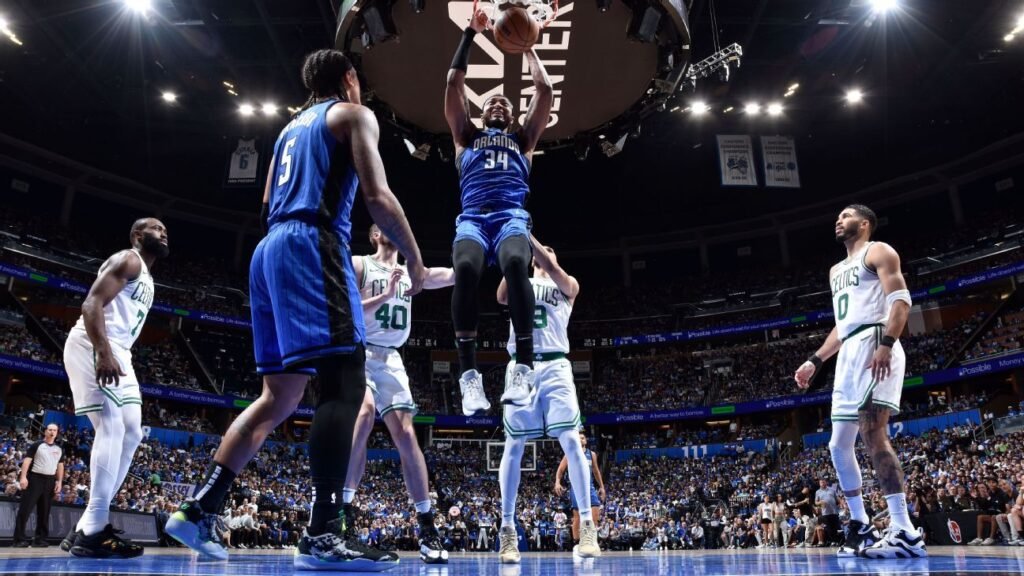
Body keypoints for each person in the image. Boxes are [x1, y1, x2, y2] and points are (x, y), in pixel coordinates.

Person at [165, 48, 425, 571]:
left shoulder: (287, 130)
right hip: (312, 241)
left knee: (280, 395)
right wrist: (415, 262)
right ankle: (325, 534)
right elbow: (377, 196)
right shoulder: (353, 114)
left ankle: (201, 507)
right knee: (347, 379)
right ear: (349, 79)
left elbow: (264, 204)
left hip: (269, 249)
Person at [795, 204, 925, 559]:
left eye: (846, 215)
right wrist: (816, 359)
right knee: (838, 445)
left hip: (875, 343)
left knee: (872, 432)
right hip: (849, 352)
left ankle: (904, 530)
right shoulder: (836, 269)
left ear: (864, 223)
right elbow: (843, 324)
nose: (839, 220)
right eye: (837, 217)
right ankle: (861, 525)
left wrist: (887, 343)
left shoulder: (878, 250)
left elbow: (900, 301)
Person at [444, 9, 554, 416]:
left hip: (510, 215)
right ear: (482, 110)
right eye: (490, 101)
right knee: (467, 270)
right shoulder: (465, 136)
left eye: (504, 103)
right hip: (473, 216)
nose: (497, 104)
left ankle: (522, 366)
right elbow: (454, 82)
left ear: (511, 116)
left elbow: (543, 92)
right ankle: (469, 376)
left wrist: (528, 50)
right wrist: (470, 35)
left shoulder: (524, 140)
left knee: (513, 262)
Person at [342, 223, 453, 564]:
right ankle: (342, 517)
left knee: (407, 435)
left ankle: (427, 526)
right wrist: (385, 296)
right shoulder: (361, 264)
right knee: (362, 416)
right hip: (360, 352)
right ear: (374, 233)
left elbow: (452, 274)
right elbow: (349, 309)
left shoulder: (411, 272)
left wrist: (477, 255)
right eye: (384, 224)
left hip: (391, 359)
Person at [61, 218, 169, 558]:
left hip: (120, 351)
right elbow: (91, 304)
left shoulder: (147, 276)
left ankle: (84, 528)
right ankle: (93, 530)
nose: (163, 234)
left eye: (166, 231)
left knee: (133, 433)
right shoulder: (129, 259)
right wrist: (104, 352)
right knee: (111, 427)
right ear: (138, 235)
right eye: (155, 229)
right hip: (95, 344)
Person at [494, 236, 600, 563]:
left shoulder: (567, 284)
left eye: (550, 250)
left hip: (555, 364)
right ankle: (508, 529)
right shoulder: (520, 280)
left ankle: (587, 527)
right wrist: (514, 251)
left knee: (572, 440)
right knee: (513, 446)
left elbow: (553, 266)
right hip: (522, 363)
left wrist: (525, 235)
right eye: (539, 253)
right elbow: (500, 296)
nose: (546, 253)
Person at [13, 424, 63, 548]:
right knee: (25, 509)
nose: (52, 432)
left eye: (54, 430)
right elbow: (27, 461)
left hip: (50, 480)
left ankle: (40, 539)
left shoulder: (60, 448)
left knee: (44, 511)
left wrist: (59, 481)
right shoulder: (37, 445)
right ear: (45, 431)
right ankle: (19, 539)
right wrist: (23, 477)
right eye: (50, 430)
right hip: (35, 478)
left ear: (57, 433)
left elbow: (60, 465)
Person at [555, 431, 606, 550]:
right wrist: (557, 482)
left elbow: (596, 471)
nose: (581, 440)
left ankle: (591, 540)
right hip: (576, 487)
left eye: (583, 438)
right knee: (577, 517)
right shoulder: (569, 454)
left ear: (586, 441)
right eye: (578, 438)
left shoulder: (591, 454)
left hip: (590, 486)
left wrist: (602, 487)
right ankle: (576, 544)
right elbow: (561, 470)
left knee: (595, 513)